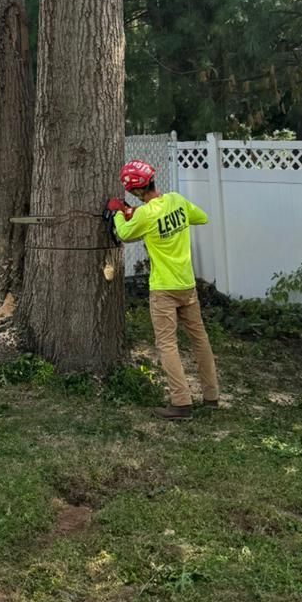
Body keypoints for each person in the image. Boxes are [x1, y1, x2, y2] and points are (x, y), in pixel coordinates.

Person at [106, 160, 220, 421]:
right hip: (187, 285)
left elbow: (124, 233)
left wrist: (118, 212)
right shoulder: (177, 201)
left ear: (134, 191)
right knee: (199, 340)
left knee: (168, 344)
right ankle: (211, 396)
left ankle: (181, 403)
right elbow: (200, 217)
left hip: (163, 290)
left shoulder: (145, 216)